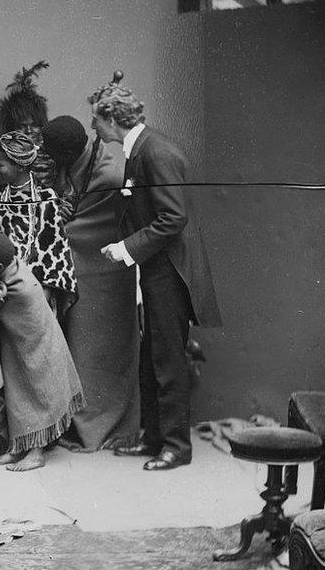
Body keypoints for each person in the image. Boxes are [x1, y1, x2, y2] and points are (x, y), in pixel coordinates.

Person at [92, 81, 222, 471]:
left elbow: (172, 218)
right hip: (157, 269)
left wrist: (126, 248)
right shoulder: (140, 148)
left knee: (168, 358)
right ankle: (153, 437)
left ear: (112, 119)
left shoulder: (156, 151)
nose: (93, 126)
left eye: (96, 118)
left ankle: (176, 448)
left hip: (171, 272)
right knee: (154, 357)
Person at [42, 109, 140, 452]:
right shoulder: (79, 156)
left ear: (67, 154)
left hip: (106, 270)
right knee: (79, 345)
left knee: (100, 350)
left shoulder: (110, 172)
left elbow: (99, 220)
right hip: (81, 267)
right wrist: (61, 207)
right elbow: (70, 200)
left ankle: (101, 427)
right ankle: (77, 421)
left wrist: (60, 225)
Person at [0, 233, 86, 471]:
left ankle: (36, 452)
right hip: (19, 348)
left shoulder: (20, 289)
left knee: (36, 394)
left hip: (40, 352)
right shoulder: (8, 272)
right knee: (18, 395)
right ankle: (17, 447)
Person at [0, 131, 77, 313]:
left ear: (19, 167)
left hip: (31, 300)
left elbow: (53, 254)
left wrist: (30, 299)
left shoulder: (44, 200)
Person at [0, 60, 55, 188]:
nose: (29, 131)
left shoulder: (52, 150)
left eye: (34, 124)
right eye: (22, 126)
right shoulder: (6, 155)